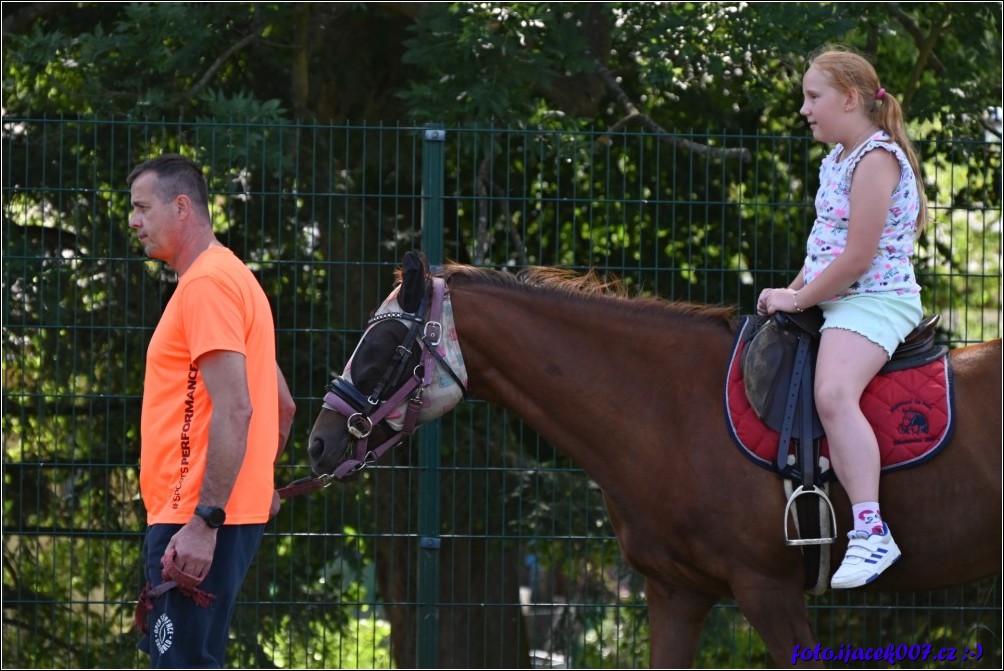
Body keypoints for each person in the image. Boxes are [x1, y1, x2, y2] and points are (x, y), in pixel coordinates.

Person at [756, 46, 926, 589]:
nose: (804, 109)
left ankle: (871, 532)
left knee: (832, 393)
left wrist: (799, 301)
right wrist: (793, 288)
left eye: (813, 97)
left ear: (850, 99)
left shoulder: (877, 160)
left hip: (876, 299)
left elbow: (856, 259)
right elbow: (822, 251)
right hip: (837, 295)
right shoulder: (837, 160)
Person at [128, 153, 296, 666]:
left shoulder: (205, 285)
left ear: (181, 207)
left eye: (141, 207)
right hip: (216, 513)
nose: (133, 221)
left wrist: (205, 521)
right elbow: (282, 406)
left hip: (193, 518)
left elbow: (237, 408)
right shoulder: (236, 278)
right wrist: (255, 486)